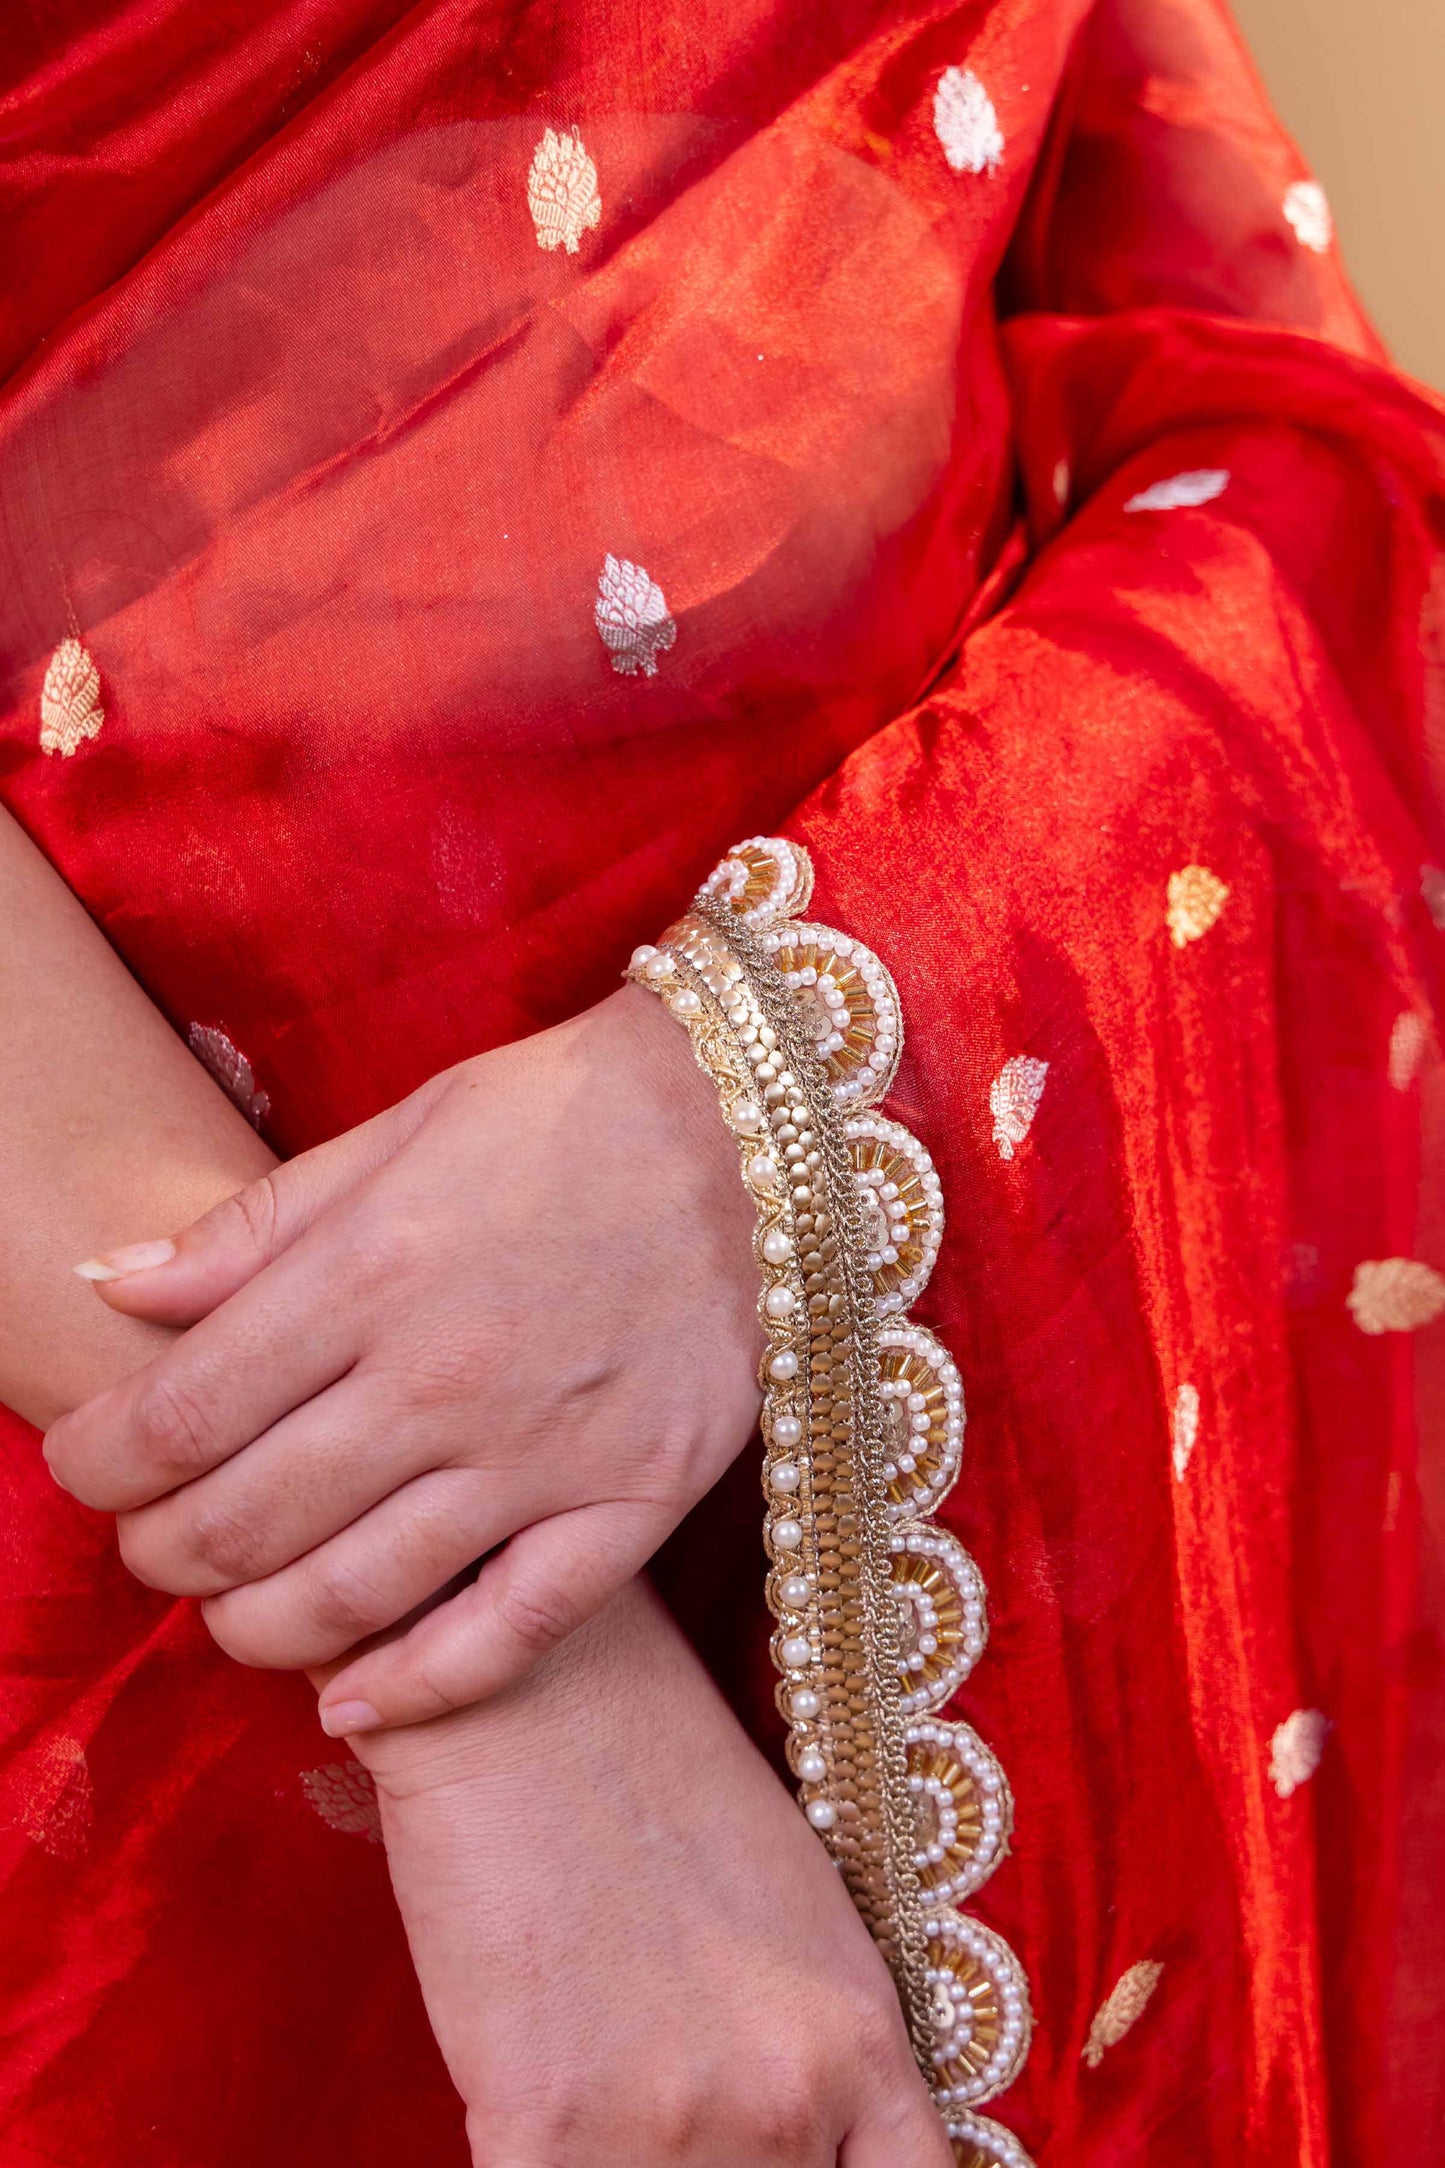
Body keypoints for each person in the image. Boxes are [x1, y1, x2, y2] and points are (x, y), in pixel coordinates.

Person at [1, 1, 1441, 2162]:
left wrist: (740, 1126)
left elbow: (1266, 418)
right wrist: (501, 1684)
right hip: (117, 1565)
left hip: (938, 1371)